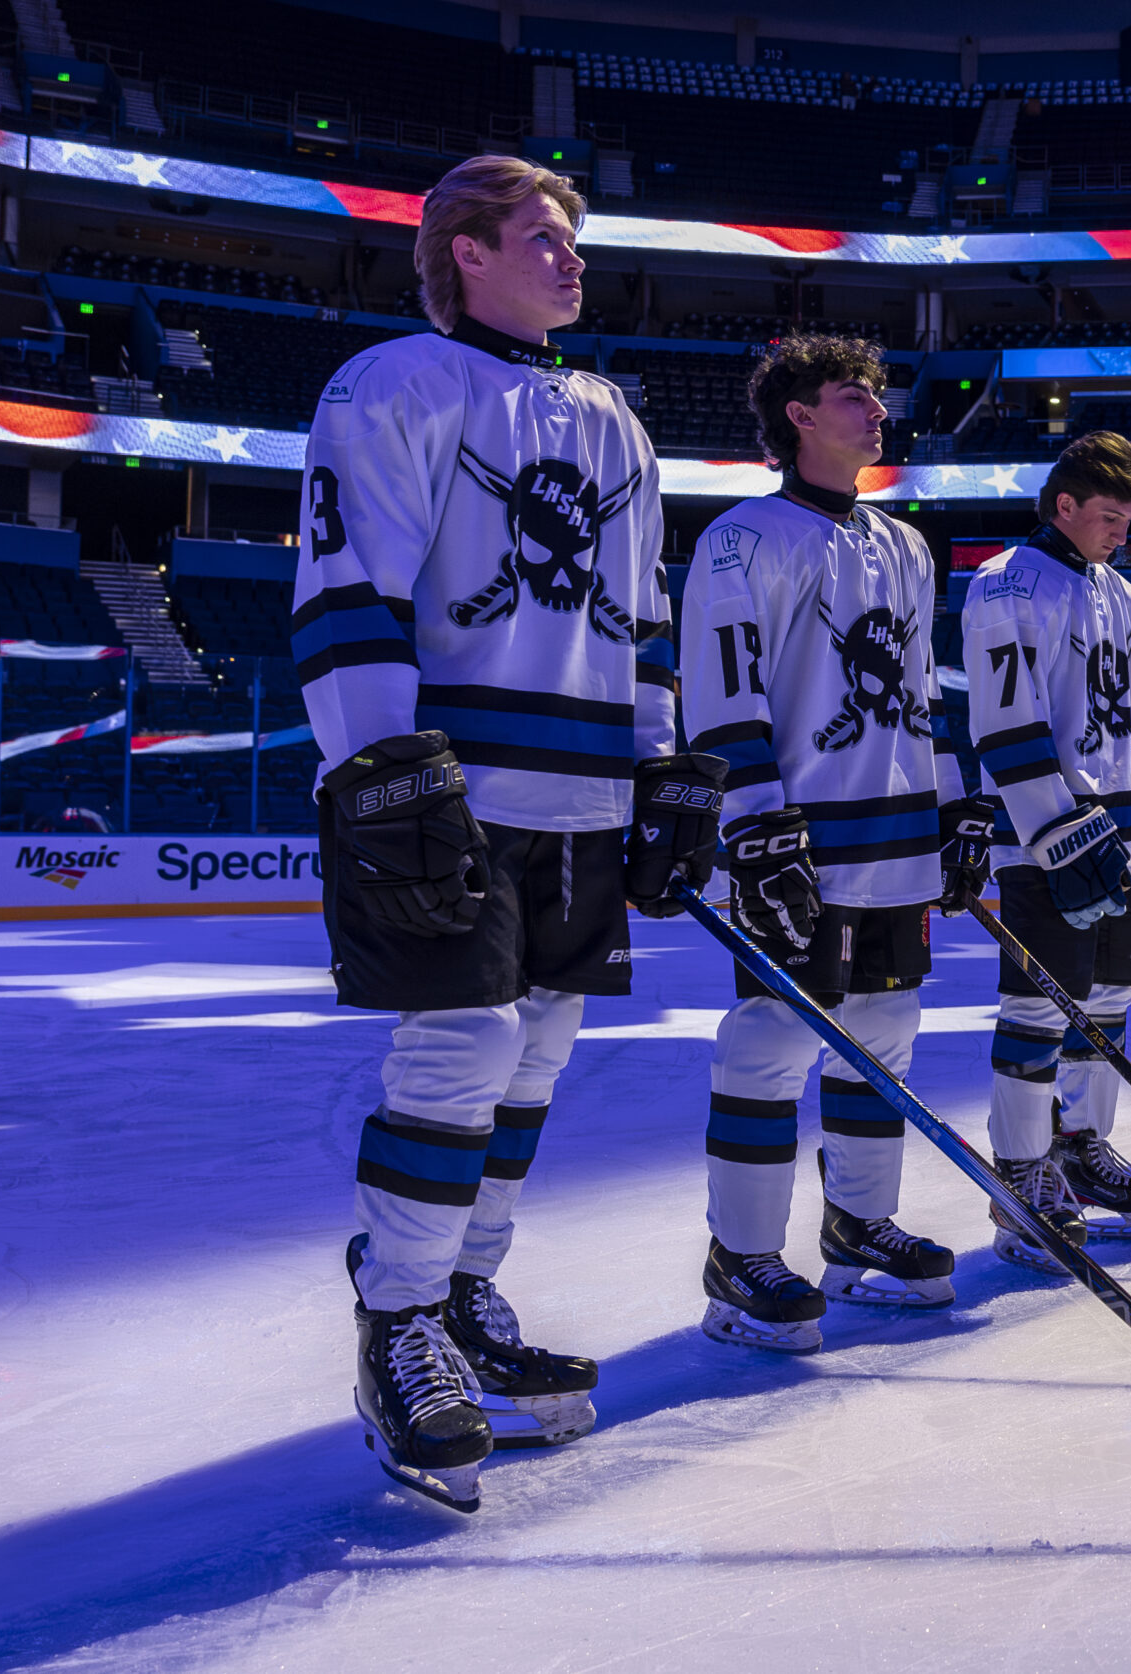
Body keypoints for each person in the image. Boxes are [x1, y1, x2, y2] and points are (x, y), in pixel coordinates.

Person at [299, 155, 718, 1512]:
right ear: (462, 253)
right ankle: (400, 1320)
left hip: (586, 791)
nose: (570, 258)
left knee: (533, 1053)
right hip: (457, 783)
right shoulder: (397, 383)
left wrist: (660, 772)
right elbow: (347, 578)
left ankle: (465, 1287)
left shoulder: (615, 418)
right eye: (540, 236)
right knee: (464, 1037)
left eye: (573, 238)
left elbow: (639, 621)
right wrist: (384, 768)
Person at [682, 332, 967, 1340]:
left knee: (885, 1034)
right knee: (769, 1041)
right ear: (799, 416)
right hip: (797, 839)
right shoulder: (741, 538)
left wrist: (955, 808)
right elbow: (723, 694)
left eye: (877, 395)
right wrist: (753, 828)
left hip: (896, 838)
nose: (878, 411)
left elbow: (923, 697)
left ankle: (858, 1225)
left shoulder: (906, 544)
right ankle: (743, 1256)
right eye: (855, 395)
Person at [962, 432, 1131, 1264]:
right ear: (1065, 506)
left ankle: (1081, 1144)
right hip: (1044, 834)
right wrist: (1054, 828)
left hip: (1114, 833)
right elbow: (1003, 718)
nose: (1121, 531)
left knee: (1111, 997)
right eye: (1110, 517)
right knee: (1040, 1004)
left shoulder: (1121, 592)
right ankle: (1019, 1170)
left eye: (1130, 519)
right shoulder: (1005, 579)